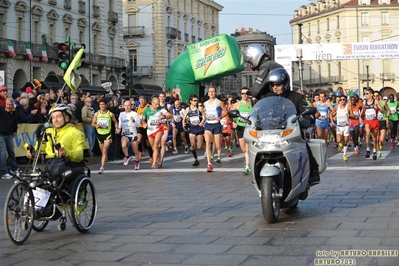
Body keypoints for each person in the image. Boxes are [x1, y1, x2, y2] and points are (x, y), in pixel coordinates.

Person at [259, 68, 320, 185]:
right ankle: (255, 170)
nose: (275, 87)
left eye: (278, 84)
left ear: (285, 83)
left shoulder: (296, 97)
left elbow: (305, 111)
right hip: (271, 133)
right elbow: (258, 112)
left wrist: (307, 119)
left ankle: (313, 171)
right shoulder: (266, 98)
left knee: (303, 146)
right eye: (272, 84)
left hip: (291, 133)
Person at [26, 105, 85, 180]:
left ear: (67, 118)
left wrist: (66, 152)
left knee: (53, 176)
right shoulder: (48, 131)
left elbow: (79, 155)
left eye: (59, 116)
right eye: (53, 117)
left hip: (68, 165)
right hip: (50, 164)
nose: (55, 120)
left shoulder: (75, 133)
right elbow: (40, 147)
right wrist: (32, 152)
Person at [142, 96, 173, 168]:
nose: (157, 105)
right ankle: (158, 157)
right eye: (156, 104)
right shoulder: (146, 110)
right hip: (150, 130)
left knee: (156, 145)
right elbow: (143, 119)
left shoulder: (161, 110)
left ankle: (154, 163)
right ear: (152, 103)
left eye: (158, 104)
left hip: (158, 129)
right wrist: (144, 123)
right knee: (153, 147)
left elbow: (170, 115)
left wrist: (164, 116)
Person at [203, 86, 228, 172]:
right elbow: (204, 114)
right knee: (208, 143)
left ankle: (219, 156)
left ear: (215, 93)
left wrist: (220, 117)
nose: (211, 93)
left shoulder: (219, 102)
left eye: (213, 91)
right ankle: (209, 164)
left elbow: (225, 111)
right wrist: (203, 119)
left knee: (217, 145)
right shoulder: (205, 103)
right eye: (210, 91)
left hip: (216, 124)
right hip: (208, 124)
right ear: (208, 93)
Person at [92, 98, 119, 174]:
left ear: (106, 105)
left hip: (107, 134)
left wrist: (117, 128)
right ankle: (105, 159)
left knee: (104, 150)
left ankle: (101, 168)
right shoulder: (96, 114)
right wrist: (95, 125)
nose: (102, 106)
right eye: (100, 105)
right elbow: (92, 124)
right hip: (99, 134)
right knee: (103, 152)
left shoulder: (110, 114)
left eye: (103, 104)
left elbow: (115, 122)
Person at [230, 87, 253, 175]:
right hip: (240, 127)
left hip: (249, 128)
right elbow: (231, 114)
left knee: (247, 148)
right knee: (243, 149)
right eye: (242, 93)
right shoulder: (237, 104)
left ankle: (247, 166)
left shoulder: (252, 103)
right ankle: (247, 161)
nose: (244, 95)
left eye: (246, 93)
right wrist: (233, 122)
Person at [360, 88, 384, 160]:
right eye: (365, 94)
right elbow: (362, 112)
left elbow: (382, 111)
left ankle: (374, 150)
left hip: (374, 121)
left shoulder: (375, 101)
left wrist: (377, 108)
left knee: (375, 138)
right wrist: (361, 117)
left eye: (367, 94)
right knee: (367, 133)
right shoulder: (364, 102)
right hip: (367, 120)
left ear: (371, 95)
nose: (365, 95)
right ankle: (367, 149)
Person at [183, 94, 205, 166]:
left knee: (199, 146)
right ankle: (196, 159)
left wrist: (202, 122)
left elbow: (205, 116)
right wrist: (183, 123)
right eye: (194, 101)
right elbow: (184, 118)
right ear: (190, 101)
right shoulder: (187, 109)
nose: (196, 102)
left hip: (199, 127)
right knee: (192, 145)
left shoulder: (199, 108)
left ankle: (203, 144)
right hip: (192, 128)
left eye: (196, 100)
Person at [118, 100, 141, 169]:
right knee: (123, 145)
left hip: (133, 135)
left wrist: (133, 121)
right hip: (125, 134)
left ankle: (137, 162)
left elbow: (138, 125)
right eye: (125, 106)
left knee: (136, 151)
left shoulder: (134, 114)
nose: (127, 107)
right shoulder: (121, 114)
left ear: (131, 106)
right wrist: (118, 128)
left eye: (128, 105)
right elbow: (120, 123)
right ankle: (127, 157)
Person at [0, 98, 19, 179]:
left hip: (9, 134)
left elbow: (15, 121)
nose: (8, 106)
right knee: (3, 153)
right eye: (7, 104)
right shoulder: (1, 110)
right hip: (1, 134)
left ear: (12, 105)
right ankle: (4, 172)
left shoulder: (13, 112)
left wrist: (14, 130)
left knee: (11, 151)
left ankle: (14, 169)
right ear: (5, 104)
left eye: (10, 105)